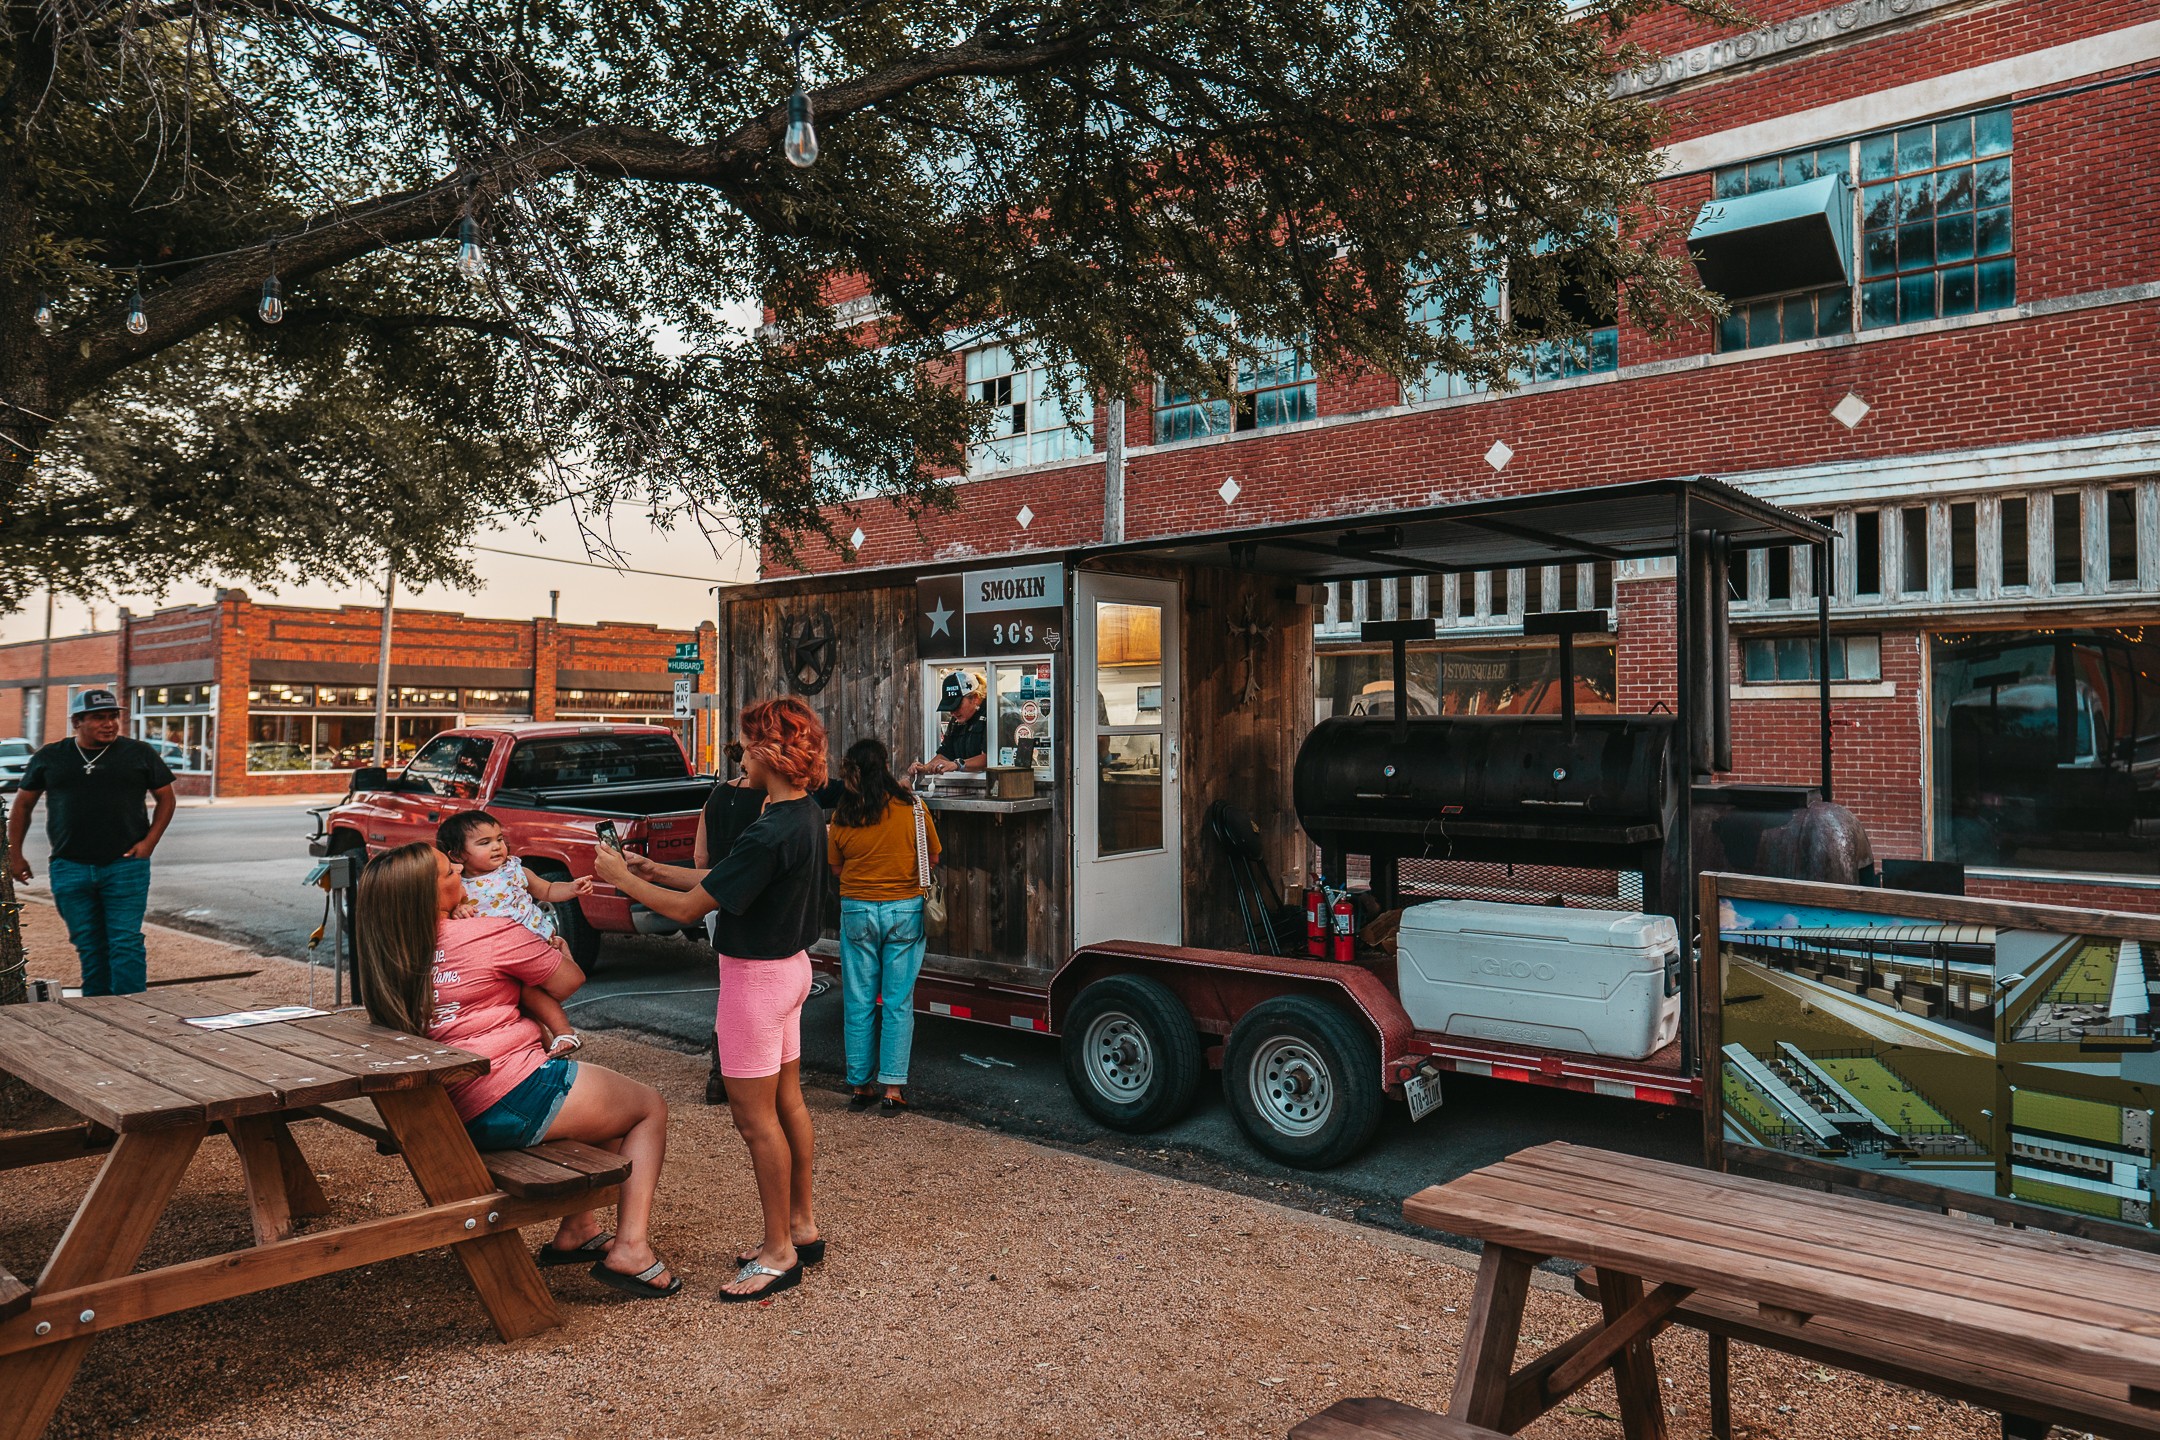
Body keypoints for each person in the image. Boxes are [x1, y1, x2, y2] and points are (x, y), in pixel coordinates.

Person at [353, 841, 681, 1298]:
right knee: (647, 1108)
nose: (460, 871)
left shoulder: (387, 954)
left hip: (445, 1110)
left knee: (606, 1105)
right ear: (428, 894)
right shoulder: (488, 931)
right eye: (450, 871)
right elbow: (567, 981)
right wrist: (556, 951)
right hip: (509, 1095)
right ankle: (631, 1248)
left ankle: (579, 1227)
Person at [595, 696, 827, 1302]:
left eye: (747, 745)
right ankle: (800, 1226)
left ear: (767, 752)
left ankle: (778, 1254)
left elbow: (688, 910)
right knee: (790, 1105)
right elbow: (721, 881)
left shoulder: (768, 826)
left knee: (756, 1122)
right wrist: (650, 868)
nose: (740, 756)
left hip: (754, 983)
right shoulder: (800, 814)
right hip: (793, 971)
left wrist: (622, 880)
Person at [5, 688, 175, 996]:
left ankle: (133, 1013)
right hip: (70, 867)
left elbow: (166, 798)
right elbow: (22, 805)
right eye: (99, 718)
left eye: (113, 717)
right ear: (77, 722)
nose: (110, 724)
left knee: (125, 942)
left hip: (125, 865)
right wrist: (14, 854)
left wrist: (149, 843)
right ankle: (99, 1012)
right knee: (90, 946)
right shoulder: (50, 756)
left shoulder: (139, 753)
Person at [828, 737, 938, 1114]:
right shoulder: (913, 809)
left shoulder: (844, 815)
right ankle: (892, 1089)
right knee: (898, 1002)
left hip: (857, 911)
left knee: (858, 1000)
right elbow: (934, 855)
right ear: (886, 766)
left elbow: (836, 867)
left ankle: (860, 1087)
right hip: (905, 911)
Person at [437, 810, 588, 1056]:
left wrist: (572, 888)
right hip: (501, 956)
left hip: (532, 942)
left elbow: (547, 890)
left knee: (528, 993)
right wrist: (460, 909)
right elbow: (456, 912)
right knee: (520, 1003)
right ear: (456, 854)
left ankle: (564, 1032)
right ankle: (546, 1048)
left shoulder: (514, 870)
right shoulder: (460, 886)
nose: (497, 847)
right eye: (484, 843)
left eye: (499, 839)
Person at [694, 740, 764, 1105]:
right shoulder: (769, 801)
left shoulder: (716, 797)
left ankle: (718, 1073)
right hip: (758, 904)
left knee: (728, 988)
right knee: (757, 995)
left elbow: (700, 855)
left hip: (715, 898)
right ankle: (750, 1070)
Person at [911, 670, 988, 777]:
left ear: (975, 698)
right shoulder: (958, 718)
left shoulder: (994, 714)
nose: (952, 712)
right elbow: (947, 752)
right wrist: (925, 767)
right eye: (950, 708)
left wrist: (957, 765)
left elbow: (990, 758)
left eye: (956, 706)